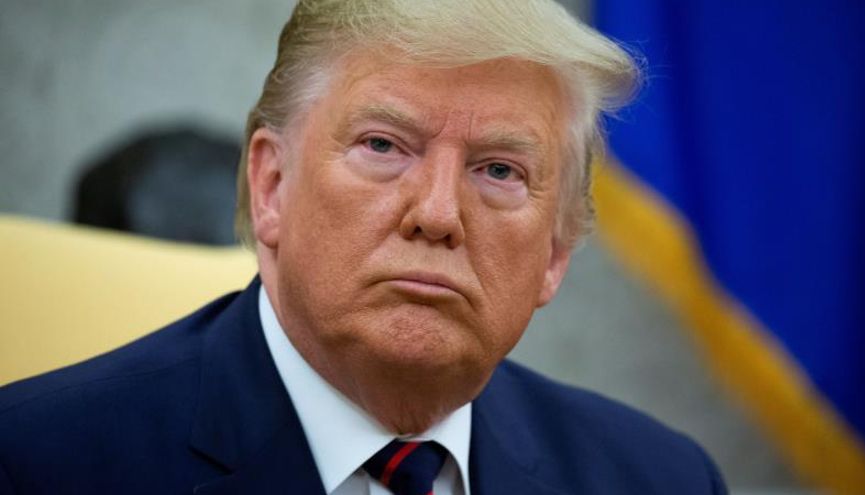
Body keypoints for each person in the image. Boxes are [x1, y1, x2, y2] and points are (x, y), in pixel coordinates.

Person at [0, 1, 727, 494]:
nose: (438, 214)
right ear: (273, 185)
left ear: (555, 252)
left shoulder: (660, 478)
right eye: (384, 145)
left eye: (500, 169)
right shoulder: (35, 461)